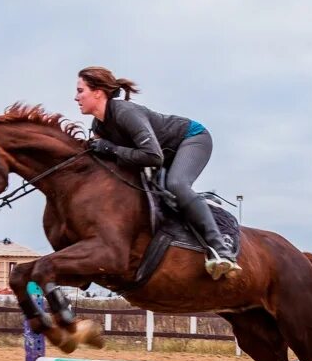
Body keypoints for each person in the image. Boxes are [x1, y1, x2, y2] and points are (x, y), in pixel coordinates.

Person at [74, 66, 241, 280]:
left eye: (80, 91)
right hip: (162, 154)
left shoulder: (125, 112)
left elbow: (153, 157)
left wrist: (111, 149)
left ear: (97, 92)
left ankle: (220, 249)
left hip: (191, 139)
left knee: (177, 185)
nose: (76, 97)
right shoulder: (99, 124)